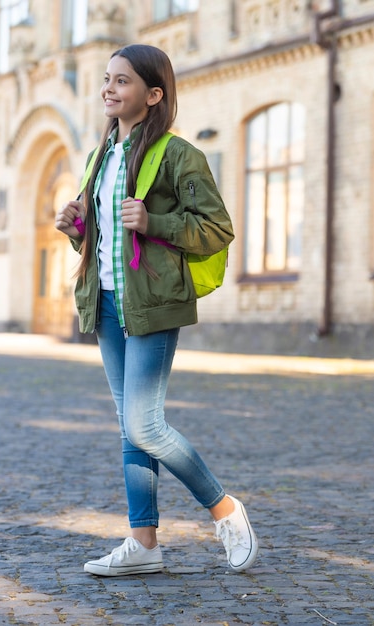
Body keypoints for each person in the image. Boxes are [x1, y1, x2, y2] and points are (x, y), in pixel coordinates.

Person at [55, 43, 258, 577]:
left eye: (122, 81)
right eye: (106, 79)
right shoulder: (100, 156)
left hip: (154, 306)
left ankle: (225, 509)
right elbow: (105, 240)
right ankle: (143, 543)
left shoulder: (178, 154)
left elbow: (216, 229)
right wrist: (77, 226)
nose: (108, 88)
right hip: (106, 305)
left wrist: (154, 222)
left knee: (144, 426)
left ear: (154, 94)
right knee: (130, 427)